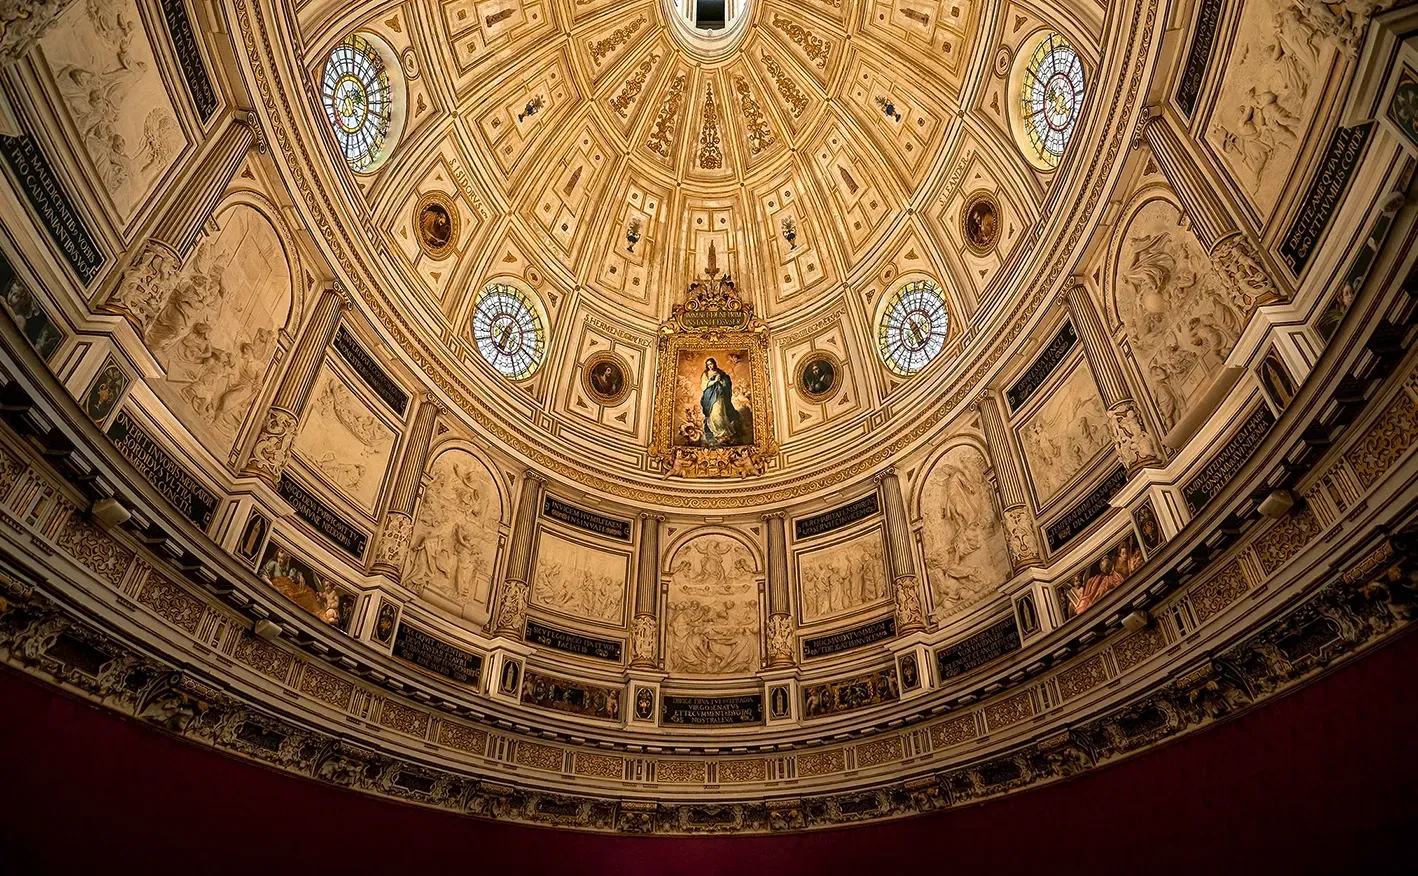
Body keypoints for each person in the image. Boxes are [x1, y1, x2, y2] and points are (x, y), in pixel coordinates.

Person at [699, 358, 741, 447]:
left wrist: (721, 381)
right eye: (708, 365)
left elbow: (726, 383)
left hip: (719, 396)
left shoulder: (721, 373)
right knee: (712, 415)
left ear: (714, 363)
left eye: (711, 364)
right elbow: (703, 386)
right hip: (709, 397)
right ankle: (716, 433)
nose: (710, 366)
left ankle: (723, 432)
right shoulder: (705, 374)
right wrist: (714, 381)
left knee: (719, 413)